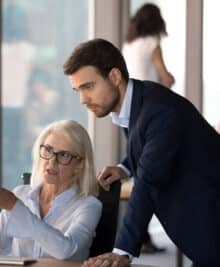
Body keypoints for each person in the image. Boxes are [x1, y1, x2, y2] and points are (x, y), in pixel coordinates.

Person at [63, 38, 220, 267]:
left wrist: (122, 250)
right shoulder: (139, 101)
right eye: (78, 90)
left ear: (115, 77)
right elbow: (150, 144)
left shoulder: (159, 111)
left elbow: (148, 182)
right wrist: (124, 167)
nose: (83, 99)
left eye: (88, 87)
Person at [0, 120, 102, 260]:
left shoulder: (89, 205)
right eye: (48, 150)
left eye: (64, 155)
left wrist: (16, 209)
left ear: (79, 164)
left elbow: (66, 251)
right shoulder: (19, 194)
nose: (52, 161)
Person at [122, 3, 174, 253]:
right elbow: (165, 78)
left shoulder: (129, 43)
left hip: (129, 113)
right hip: (150, 112)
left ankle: (141, 236)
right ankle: (141, 237)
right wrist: (170, 82)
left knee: (140, 174)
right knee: (150, 176)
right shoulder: (152, 42)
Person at [122, 3, 174, 88]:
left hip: (131, 96)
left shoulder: (128, 44)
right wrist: (171, 78)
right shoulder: (152, 43)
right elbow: (166, 80)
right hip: (149, 96)